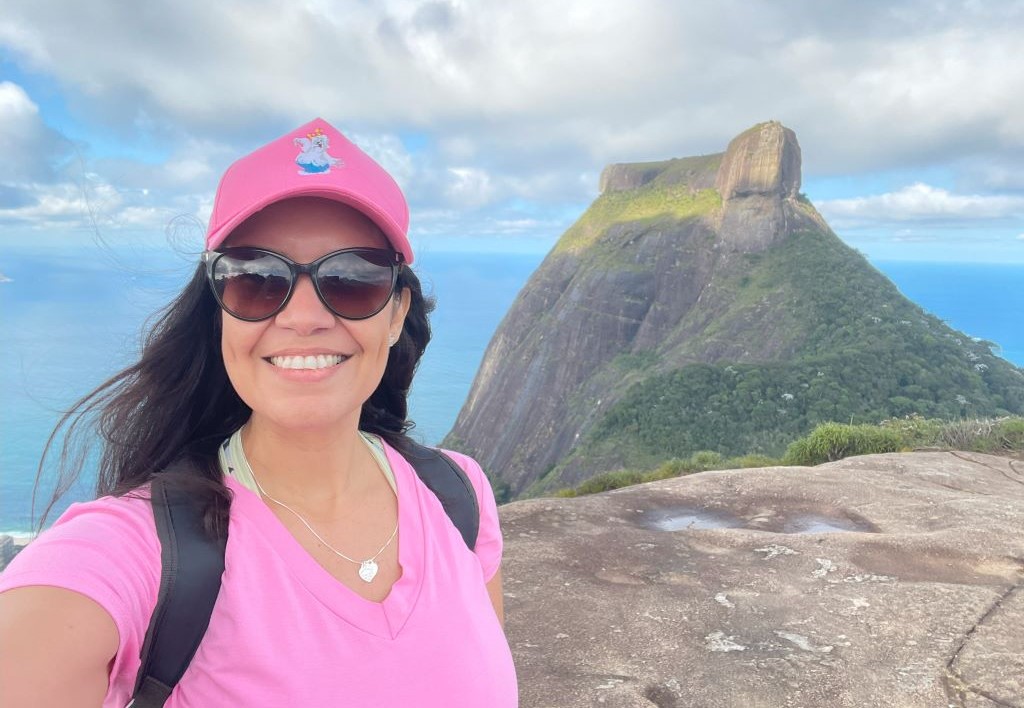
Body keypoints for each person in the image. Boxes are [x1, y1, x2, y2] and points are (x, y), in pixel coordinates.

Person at [0, 118, 518, 706]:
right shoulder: (142, 552)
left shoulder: (459, 495)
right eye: (257, 279)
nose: (303, 317)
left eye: (353, 279)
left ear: (397, 314)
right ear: (218, 308)